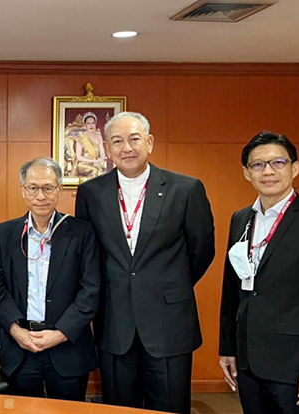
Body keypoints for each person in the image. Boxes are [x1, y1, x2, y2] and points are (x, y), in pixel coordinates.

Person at [75, 111, 215, 414]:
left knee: (170, 406)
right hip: (114, 319)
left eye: (134, 139)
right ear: (108, 149)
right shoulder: (90, 193)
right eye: (117, 141)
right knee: (118, 408)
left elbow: (202, 249)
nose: (127, 148)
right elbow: (88, 255)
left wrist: (168, 284)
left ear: (149, 142)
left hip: (169, 321)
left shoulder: (186, 189)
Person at [218, 132, 299, 414]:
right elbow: (232, 291)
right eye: (257, 165)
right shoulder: (241, 219)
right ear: (246, 173)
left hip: (296, 366)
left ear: (295, 167)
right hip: (248, 362)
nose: (268, 170)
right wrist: (228, 347)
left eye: (278, 162)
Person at [0, 157, 101, 400]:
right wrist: (16, 331)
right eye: (33, 188)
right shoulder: (2, 234)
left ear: (59, 190)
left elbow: (91, 290)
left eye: (48, 188)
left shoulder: (81, 232)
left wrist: (59, 333)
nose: (41, 196)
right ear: (23, 191)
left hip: (67, 345)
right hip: (22, 346)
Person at [74, 112, 107, 178]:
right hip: (83, 164)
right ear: (85, 125)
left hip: (95, 163)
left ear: (95, 124)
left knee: (101, 172)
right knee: (95, 170)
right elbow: (79, 157)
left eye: (93, 123)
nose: (91, 125)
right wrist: (93, 161)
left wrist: (101, 159)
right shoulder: (81, 137)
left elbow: (102, 154)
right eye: (88, 123)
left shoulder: (99, 136)